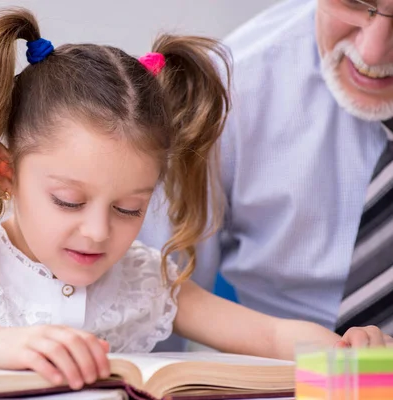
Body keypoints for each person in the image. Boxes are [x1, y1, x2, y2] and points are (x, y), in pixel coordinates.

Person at [0, 7, 391, 392]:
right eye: (67, 201)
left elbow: (266, 336)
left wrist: (345, 350)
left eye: (128, 209)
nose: (97, 233)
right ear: (6, 171)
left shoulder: (145, 279)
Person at [141, 0, 393, 337]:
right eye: (355, 2)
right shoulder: (228, 89)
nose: (373, 53)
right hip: (289, 372)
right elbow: (159, 301)